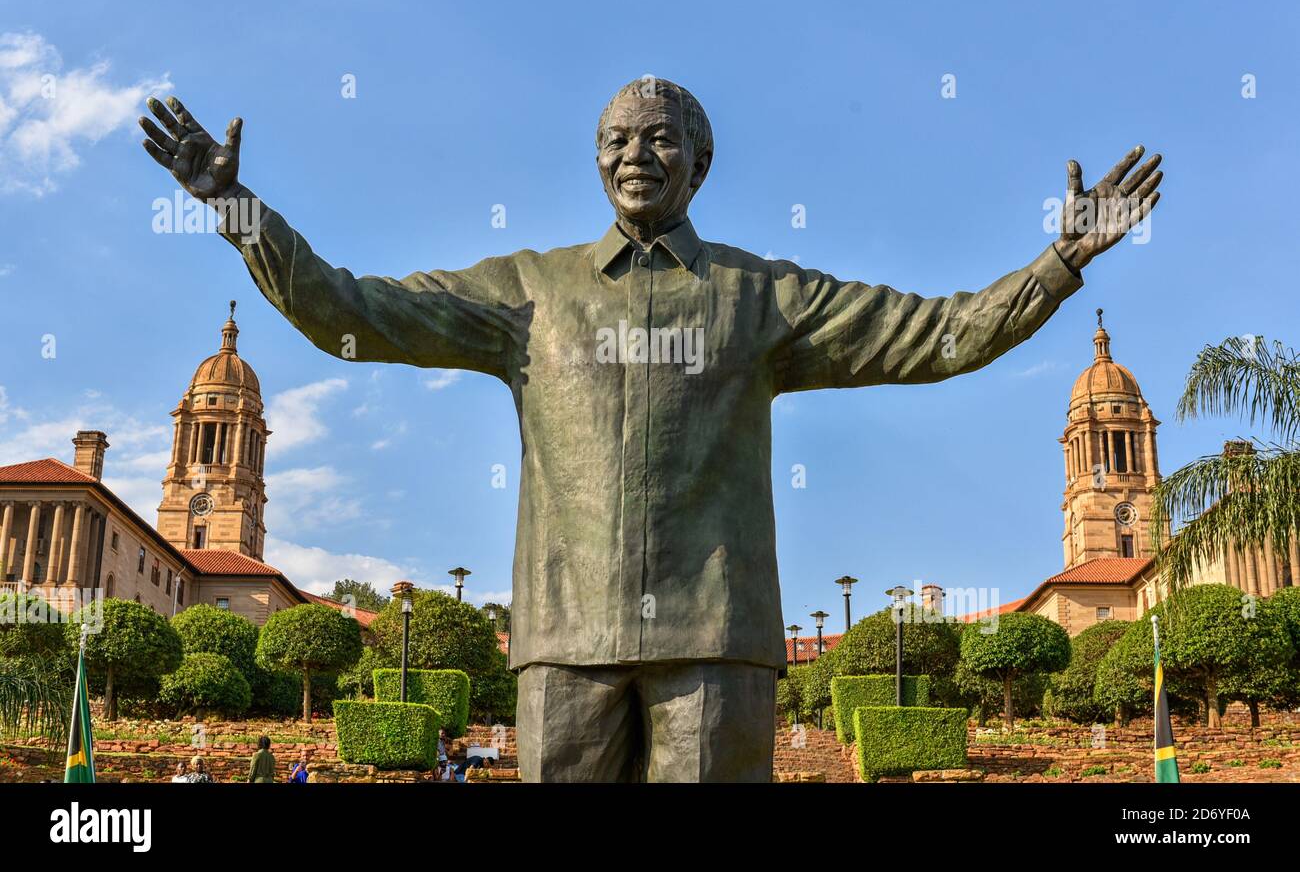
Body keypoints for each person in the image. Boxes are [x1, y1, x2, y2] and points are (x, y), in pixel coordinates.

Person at [139, 80, 1162, 782]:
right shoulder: (527, 294)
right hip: (566, 640)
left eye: (662, 135)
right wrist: (235, 209)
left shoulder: (760, 295)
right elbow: (348, 308)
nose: (639, 152)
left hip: (714, 640)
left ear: (701, 162)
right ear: (595, 161)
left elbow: (937, 334)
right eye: (618, 138)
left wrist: (1059, 261)